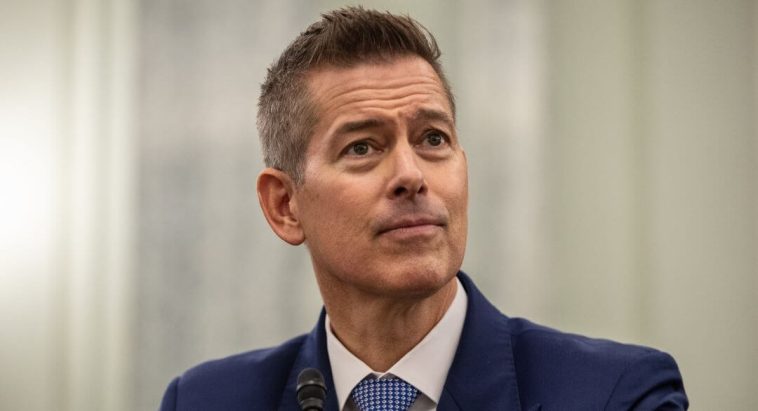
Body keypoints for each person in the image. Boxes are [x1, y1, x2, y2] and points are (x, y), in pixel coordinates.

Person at [159, 7, 688, 410]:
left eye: (433, 138)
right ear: (285, 206)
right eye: (362, 147)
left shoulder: (616, 394)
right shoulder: (204, 401)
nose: (411, 175)